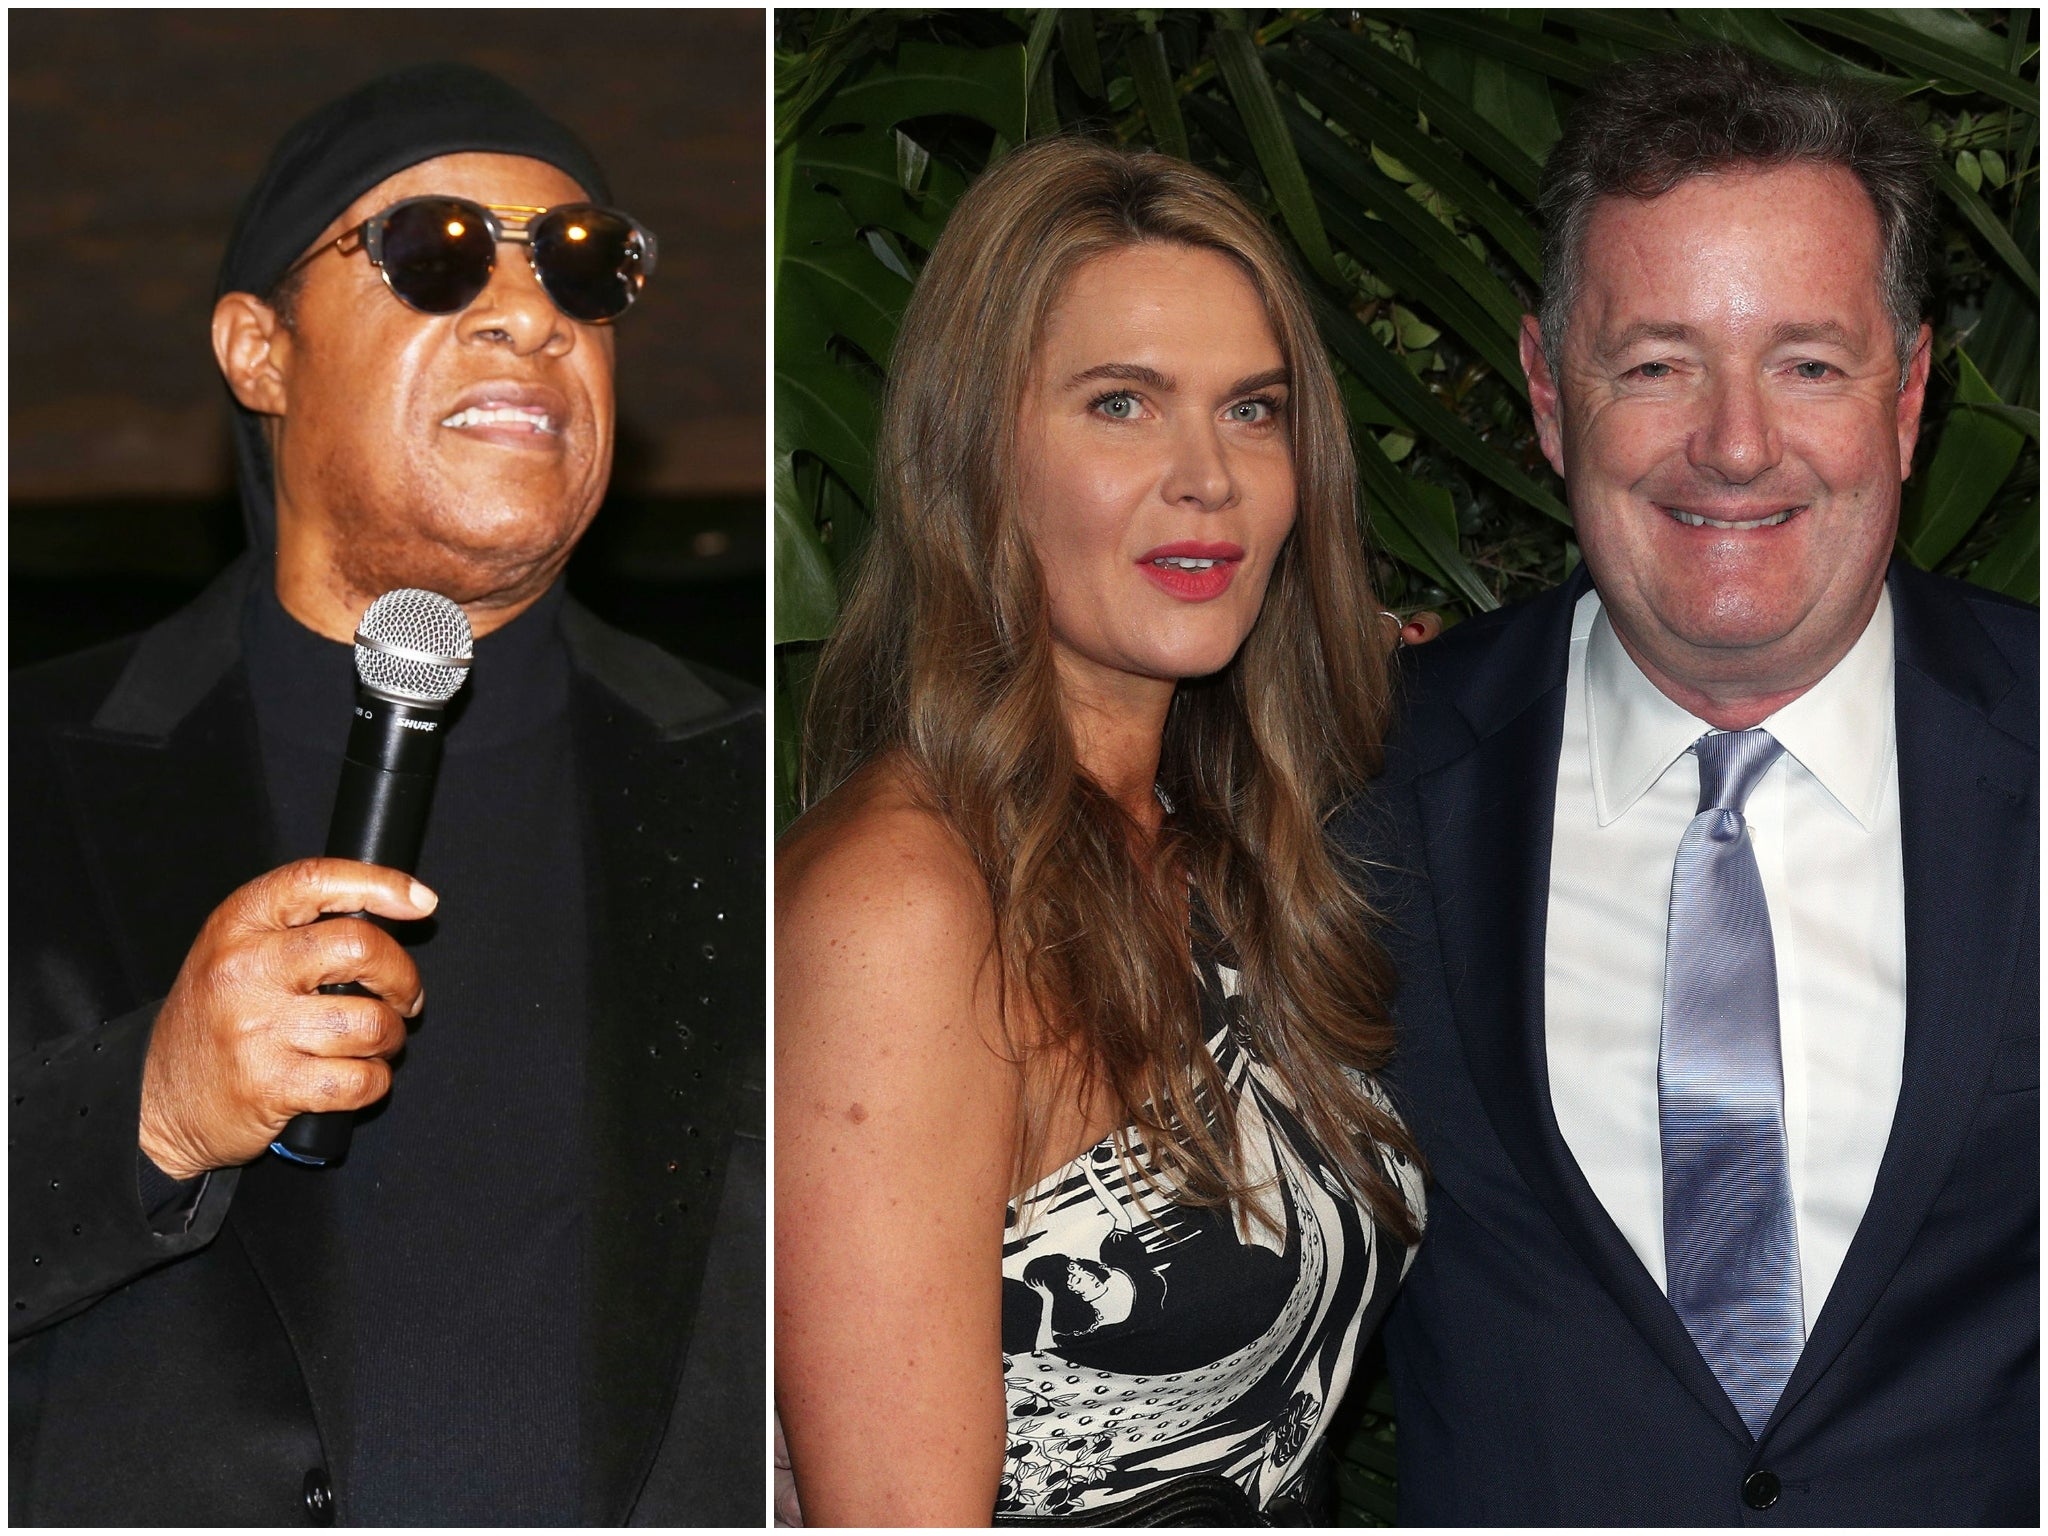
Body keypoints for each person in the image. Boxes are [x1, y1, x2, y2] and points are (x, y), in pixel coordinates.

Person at [10, 64, 762, 1526]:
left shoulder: (771, 780)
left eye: (584, 267)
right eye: (436, 252)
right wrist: (150, 1110)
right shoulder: (25, 763)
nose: (532, 314)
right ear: (258, 350)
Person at [1346, 44, 2037, 1523]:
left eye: (1809, 364)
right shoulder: (1353, 785)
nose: (1734, 445)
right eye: (1656, 364)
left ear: (1909, 396)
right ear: (1549, 393)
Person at [776, 138, 1424, 1526]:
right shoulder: (903, 907)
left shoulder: (1219, 842)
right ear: (978, 455)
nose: (1209, 477)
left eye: (1253, 411)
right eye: (1122, 403)